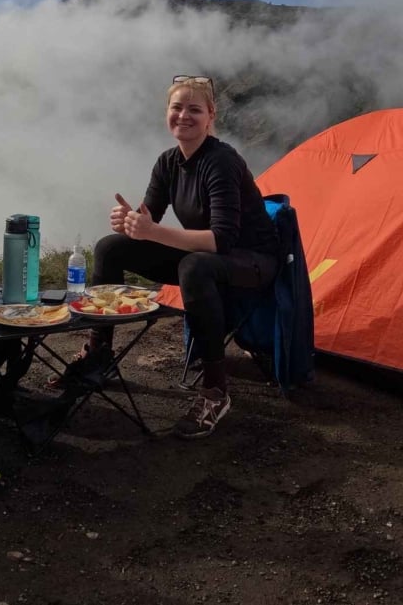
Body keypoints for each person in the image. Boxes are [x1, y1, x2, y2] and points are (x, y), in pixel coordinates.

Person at [61, 76, 279, 439]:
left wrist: (152, 232)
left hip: (253, 260)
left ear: (211, 116)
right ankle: (100, 356)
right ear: (167, 113)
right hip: (206, 256)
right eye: (177, 108)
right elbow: (152, 220)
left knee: (194, 264)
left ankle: (214, 391)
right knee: (109, 247)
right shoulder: (168, 162)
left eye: (194, 109)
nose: (184, 116)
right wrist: (130, 223)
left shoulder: (221, 161)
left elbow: (222, 240)